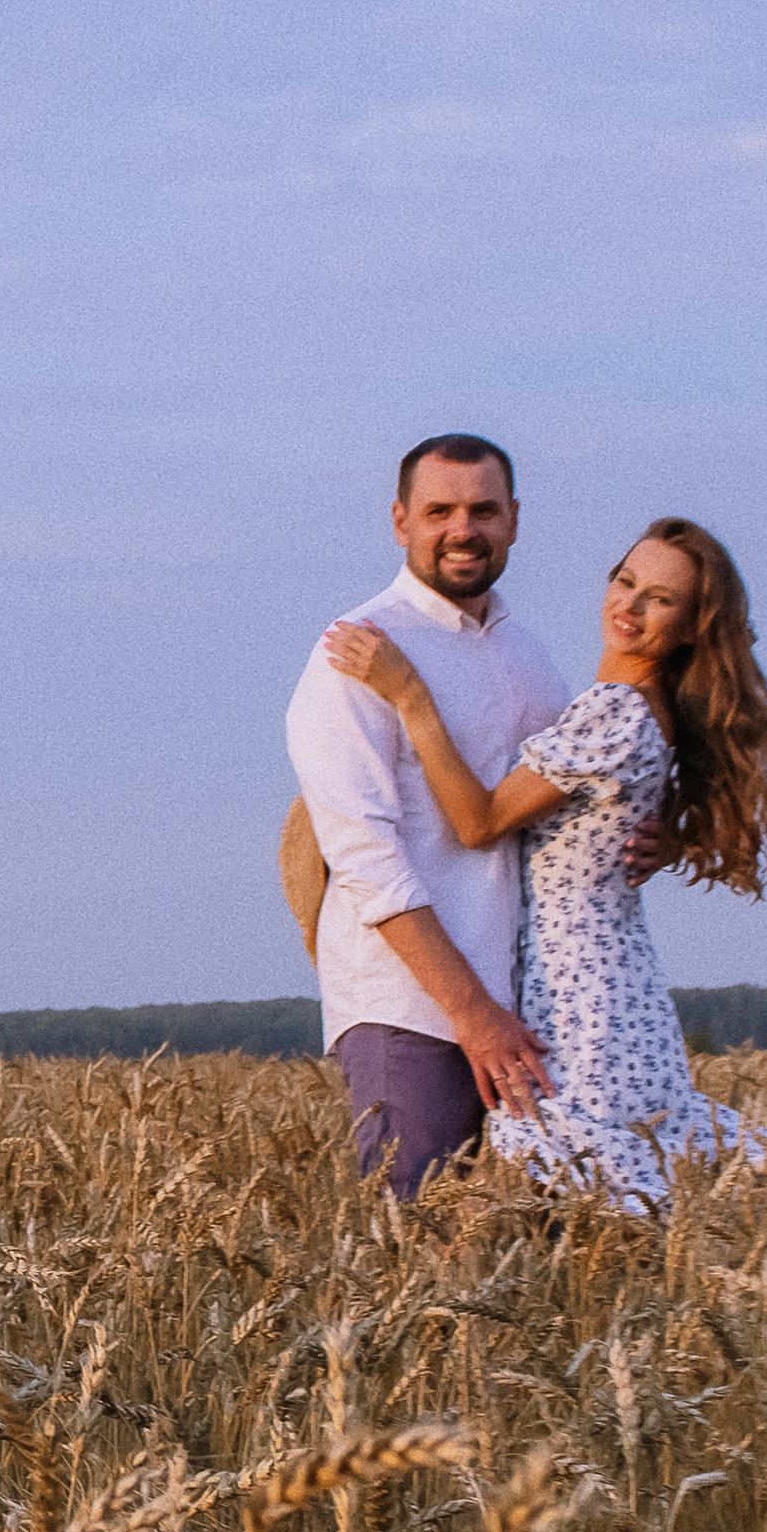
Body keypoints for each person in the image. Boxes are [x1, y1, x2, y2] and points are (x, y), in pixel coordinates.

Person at [322, 518, 767, 1209]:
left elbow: (479, 822)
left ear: (691, 626)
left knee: (574, 1176)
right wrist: (671, 844)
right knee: (618, 1183)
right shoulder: (643, 710)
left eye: (659, 599)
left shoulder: (613, 710)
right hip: (618, 984)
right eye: (625, 582)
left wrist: (410, 696)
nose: (628, 606)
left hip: (579, 994)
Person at [285, 435, 570, 1199]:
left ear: (514, 520)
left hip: (527, 1013)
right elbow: (365, 861)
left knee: (527, 1269)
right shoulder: (355, 653)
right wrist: (472, 1014)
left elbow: (554, 806)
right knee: (410, 1261)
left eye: (483, 510)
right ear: (400, 521)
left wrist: (641, 836)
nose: (462, 529)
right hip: (408, 1011)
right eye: (439, 510)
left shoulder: (530, 657)